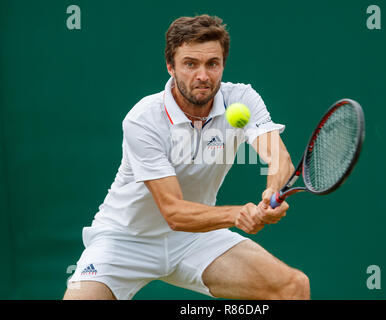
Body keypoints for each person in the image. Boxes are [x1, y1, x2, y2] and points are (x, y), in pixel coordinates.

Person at [64, 14, 310, 300]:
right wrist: (236, 214)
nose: (203, 76)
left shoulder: (242, 99)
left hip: (197, 238)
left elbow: (278, 158)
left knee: (292, 287)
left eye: (212, 64)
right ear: (171, 66)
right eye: (190, 64)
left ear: (222, 65)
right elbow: (174, 212)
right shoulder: (143, 119)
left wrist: (271, 192)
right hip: (124, 240)